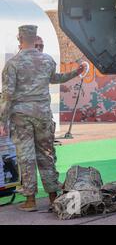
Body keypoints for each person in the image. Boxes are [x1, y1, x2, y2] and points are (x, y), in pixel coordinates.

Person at [0, 25, 85, 212]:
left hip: (21, 116)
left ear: (20, 38)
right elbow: (55, 78)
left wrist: (2, 121)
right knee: (46, 154)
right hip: (43, 115)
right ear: (35, 38)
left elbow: (7, 95)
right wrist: (75, 73)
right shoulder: (47, 60)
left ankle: (30, 200)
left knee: (26, 156)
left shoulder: (13, 64)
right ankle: (53, 195)